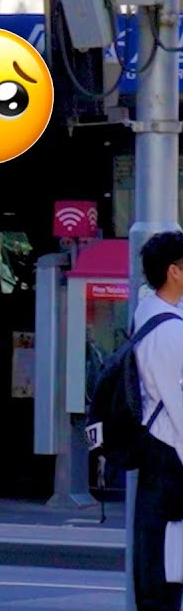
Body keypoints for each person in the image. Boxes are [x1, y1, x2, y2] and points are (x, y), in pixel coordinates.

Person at [131, 231, 183, 611]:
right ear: (174, 272)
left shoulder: (148, 311)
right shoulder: (169, 332)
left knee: (161, 568)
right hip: (170, 459)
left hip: (159, 459)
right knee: (165, 574)